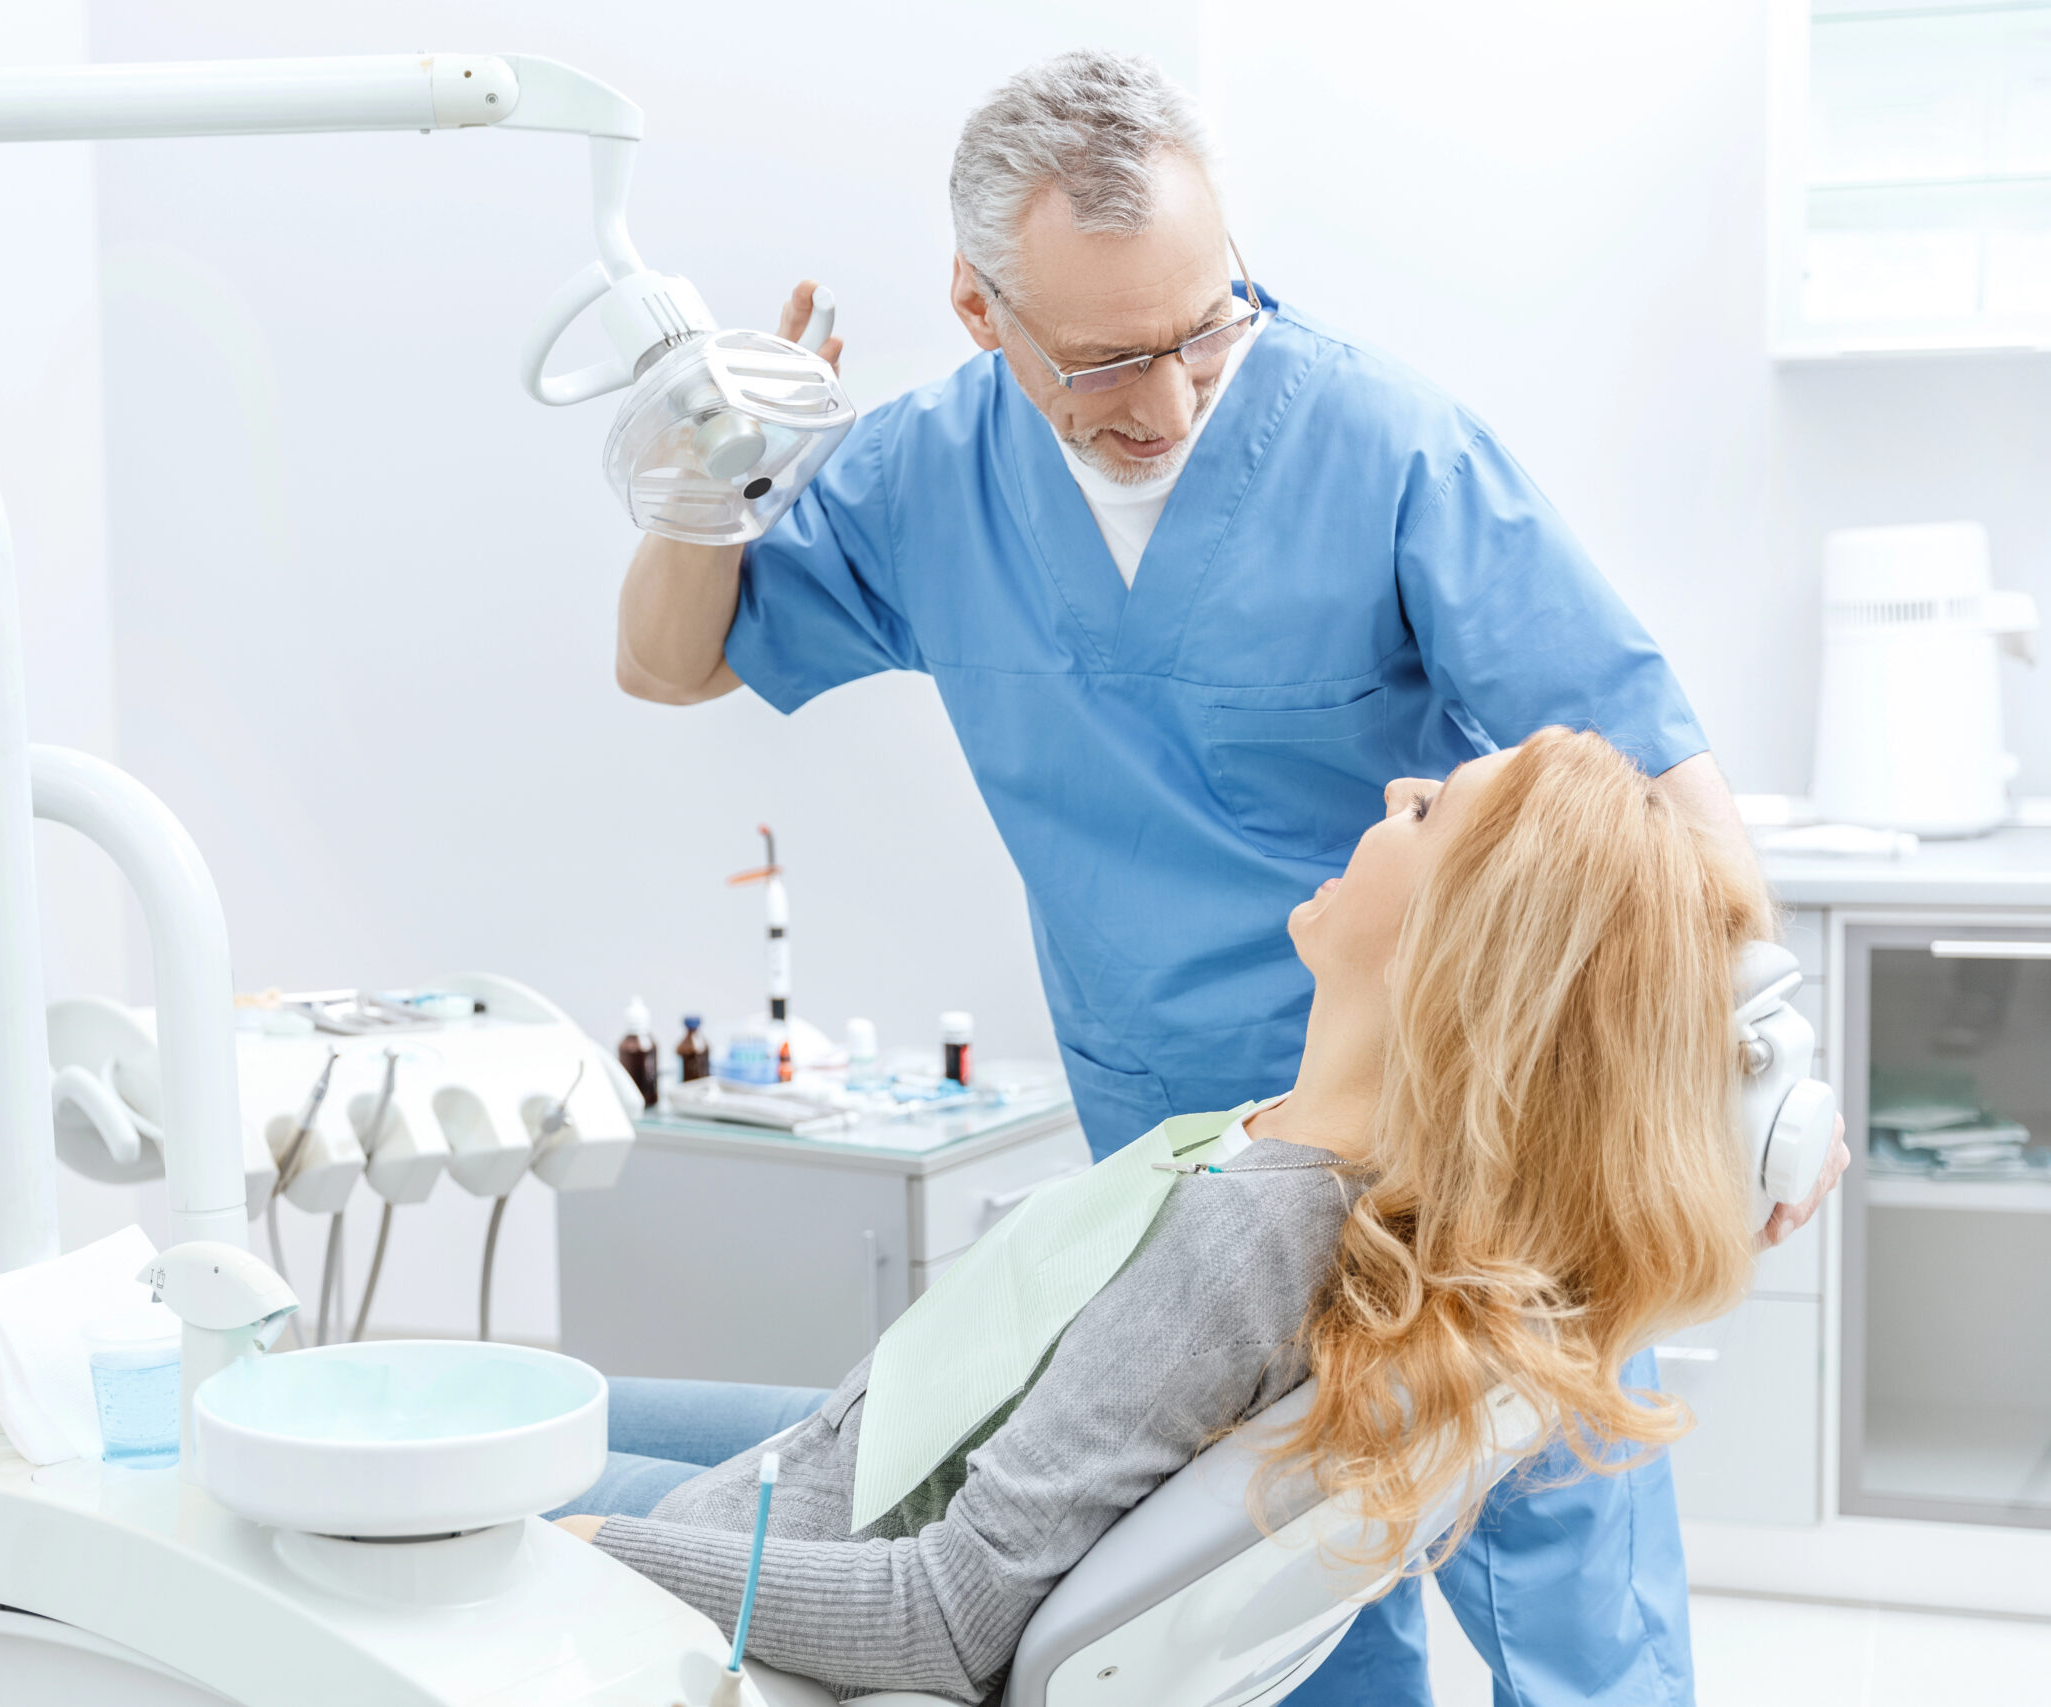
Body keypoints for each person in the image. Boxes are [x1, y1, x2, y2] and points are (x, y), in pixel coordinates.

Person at [611, 51, 1843, 1701]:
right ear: (981, 311)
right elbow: (675, 663)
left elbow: (1629, 753)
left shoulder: (1380, 444)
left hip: (1459, 1126)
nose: (1177, 397)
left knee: (1563, 1564)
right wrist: (702, 492)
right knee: (1269, 1584)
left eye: (1211, 326)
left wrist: (1765, 1048)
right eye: (1114, 357)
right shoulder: (927, 480)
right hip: (1189, 1140)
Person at [557, 730, 1813, 1702]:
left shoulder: (1247, 1239)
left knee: (414, 1478)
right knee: (542, 1392)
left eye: (1429, 814)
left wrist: (572, 1545)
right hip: (856, 1449)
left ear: (1455, 942)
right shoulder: (1311, 1150)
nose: (1392, 796)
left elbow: (939, 1617)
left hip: (810, 1548)